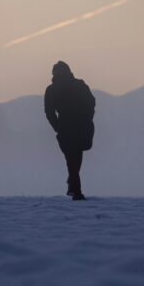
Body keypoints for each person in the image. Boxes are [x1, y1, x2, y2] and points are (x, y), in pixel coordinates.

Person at [43, 61, 95, 201]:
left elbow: (49, 112)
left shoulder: (52, 90)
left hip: (67, 128)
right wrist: (87, 119)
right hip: (79, 127)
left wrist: (58, 126)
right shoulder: (79, 85)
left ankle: (74, 188)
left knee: (72, 160)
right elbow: (91, 103)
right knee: (75, 159)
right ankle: (75, 190)